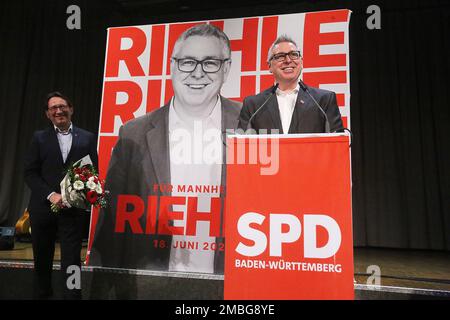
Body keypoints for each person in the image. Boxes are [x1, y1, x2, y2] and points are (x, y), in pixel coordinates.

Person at [89, 24, 241, 274]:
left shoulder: (251, 124)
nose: (197, 73)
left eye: (210, 62)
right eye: (187, 62)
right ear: (172, 65)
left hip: (229, 281)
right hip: (151, 280)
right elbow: (111, 223)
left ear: (226, 68)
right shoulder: (133, 133)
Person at [24, 92, 98, 299]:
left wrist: (87, 193)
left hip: (73, 210)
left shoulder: (87, 138)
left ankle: (72, 296)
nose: (59, 110)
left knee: (73, 261)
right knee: (42, 259)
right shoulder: (39, 138)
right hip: (42, 209)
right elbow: (30, 173)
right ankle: (42, 295)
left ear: (71, 109)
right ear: (48, 114)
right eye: (53, 108)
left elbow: (91, 172)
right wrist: (51, 195)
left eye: (62, 106)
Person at [238, 35, 344, 133]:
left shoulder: (323, 100)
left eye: (294, 55)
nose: (288, 60)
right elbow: (240, 146)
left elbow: (338, 143)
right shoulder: (253, 105)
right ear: (269, 66)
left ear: (301, 62)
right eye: (280, 56)